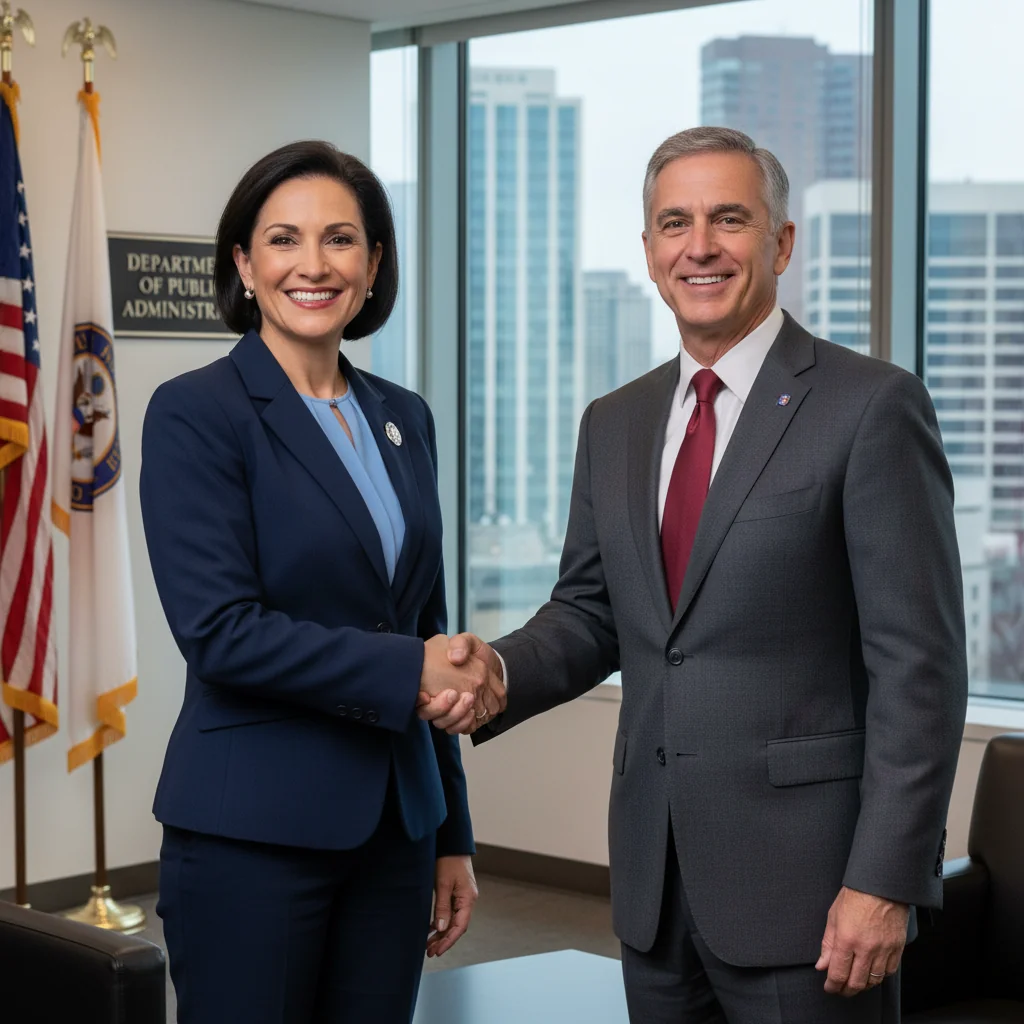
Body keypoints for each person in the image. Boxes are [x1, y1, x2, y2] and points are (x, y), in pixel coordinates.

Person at [420, 126, 968, 1023]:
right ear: (647, 251)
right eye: (675, 223)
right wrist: (500, 672)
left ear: (782, 242)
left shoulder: (871, 407)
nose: (700, 246)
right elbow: (594, 612)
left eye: (729, 219)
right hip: (654, 886)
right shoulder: (616, 420)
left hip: (812, 897)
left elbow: (922, 670)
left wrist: (884, 880)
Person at [140, 141, 504, 1024]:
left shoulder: (402, 417)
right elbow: (221, 630)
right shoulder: (198, 413)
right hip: (251, 834)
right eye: (284, 239)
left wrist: (450, 834)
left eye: (341, 239)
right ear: (244, 262)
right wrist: (413, 670)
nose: (313, 264)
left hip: (395, 833)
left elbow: (423, 617)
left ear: (374, 264)